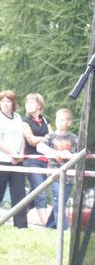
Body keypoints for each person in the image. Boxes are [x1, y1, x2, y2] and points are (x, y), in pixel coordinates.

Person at [36, 108, 78, 230]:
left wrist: (70, 156)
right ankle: (63, 229)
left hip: (69, 177)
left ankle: (49, 227)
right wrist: (56, 153)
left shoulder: (74, 138)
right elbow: (40, 147)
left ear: (69, 123)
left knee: (60, 203)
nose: (59, 122)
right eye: (57, 119)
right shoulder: (50, 136)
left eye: (62, 120)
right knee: (58, 201)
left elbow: (81, 153)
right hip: (54, 176)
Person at [22, 93, 52, 226]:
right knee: (40, 191)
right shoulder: (25, 122)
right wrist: (45, 138)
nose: (28, 105)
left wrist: (42, 139)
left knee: (35, 192)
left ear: (39, 105)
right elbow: (31, 140)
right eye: (27, 103)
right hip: (31, 160)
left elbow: (53, 138)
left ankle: (19, 214)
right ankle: (47, 224)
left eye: (32, 102)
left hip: (45, 161)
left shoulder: (45, 121)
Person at [0, 89, 27, 228]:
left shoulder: (17, 117)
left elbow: (22, 137)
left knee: (19, 194)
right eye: (3, 101)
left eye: (8, 101)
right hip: (2, 161)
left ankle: (21, 226)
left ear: (13, 103)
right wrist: (11, 153)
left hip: (17, 162)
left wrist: (20, 154)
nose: (5, 104)